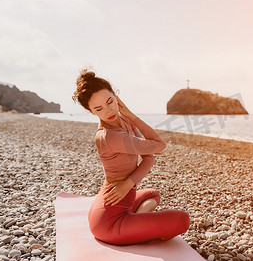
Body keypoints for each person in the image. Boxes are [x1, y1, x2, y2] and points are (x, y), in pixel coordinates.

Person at [72, 69, 190, 245]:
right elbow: (160, 144)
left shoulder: (124, 122)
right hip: (109, 223)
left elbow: (149, 157)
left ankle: (135, 224)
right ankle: (135, 228)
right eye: (99, 109)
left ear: (115, 95)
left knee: (153, 194)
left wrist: (128, 184)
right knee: (182, 220)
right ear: (92, 112)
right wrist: (131, 115)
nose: (109, 110)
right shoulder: (109, 136)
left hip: (115, 201)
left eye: (110, 101)